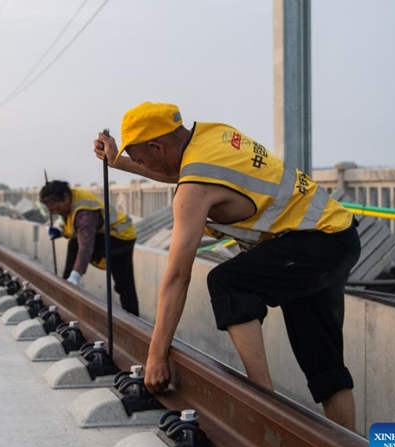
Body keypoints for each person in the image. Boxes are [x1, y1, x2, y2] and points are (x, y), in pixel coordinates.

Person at [93, 101, 360, 430]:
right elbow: (174, 168)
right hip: (335, 234)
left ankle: (264, 401)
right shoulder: (213, 135)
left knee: (228, 282)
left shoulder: (193, 190)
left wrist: (156, 355)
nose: (142, 165)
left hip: (312, 244)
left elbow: (178, 277)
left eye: (141, 158)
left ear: (156, 146)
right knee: (324, 365)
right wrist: (118, 160)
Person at [39, 180, 140, 316]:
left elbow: (85, 246)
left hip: (120, 237)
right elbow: (75, 227)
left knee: (124, 284)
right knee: (123, 285)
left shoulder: (84, 213)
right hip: (108, 234)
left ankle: (133, 320)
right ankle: (65, 288)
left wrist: (76, 275)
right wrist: (60, 231)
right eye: (50, 210)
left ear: (66, 198)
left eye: (55, 208)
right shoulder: (72, 198)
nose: (54, 212)